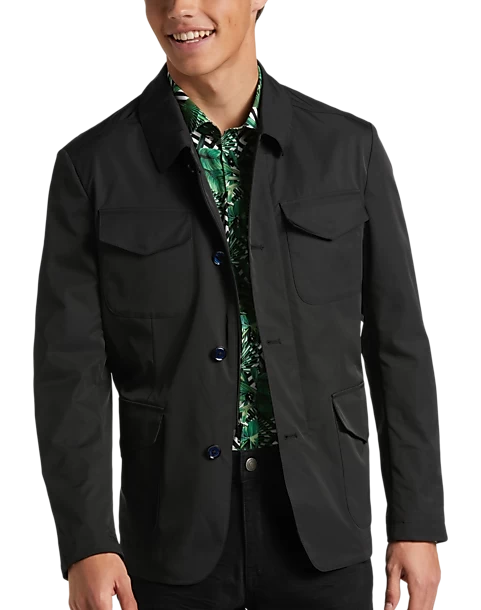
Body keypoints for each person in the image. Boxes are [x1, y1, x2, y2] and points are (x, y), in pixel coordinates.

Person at [33, 1, 448, 609]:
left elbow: (398, 344)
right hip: (169, 532)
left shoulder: (348, 149)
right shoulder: (90, 168)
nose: (180, 8)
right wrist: (86, 540)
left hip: (322, 524)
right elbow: (68, 371)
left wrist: (416, 520)